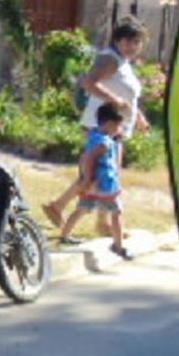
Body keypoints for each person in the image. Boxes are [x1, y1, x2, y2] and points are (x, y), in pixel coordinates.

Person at [43, 18, 149, 230]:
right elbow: (88, 83)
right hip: (100, 126)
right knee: (98, 172)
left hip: (115, 126)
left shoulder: (123, 62)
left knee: (109, 173)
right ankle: (59, 205)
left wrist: (139, 117)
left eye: (137, 42)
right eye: (129, 41)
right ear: (117, 40)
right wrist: (114, 101)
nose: (133, 46)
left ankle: (102, 222)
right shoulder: (110, 59)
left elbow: (127, 94)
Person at [57, 103, 130, 260]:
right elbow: (89, 159)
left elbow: (84, 158)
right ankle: (118, 245)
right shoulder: (104, 143)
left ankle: (65, 235)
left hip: (93, 186)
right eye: (119, 126)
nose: (120, 129)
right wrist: (89, 178)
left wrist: (86, 180)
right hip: (105, 185)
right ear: (110, 124)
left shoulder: (96, 136)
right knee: (117, 213)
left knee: (82, 210)